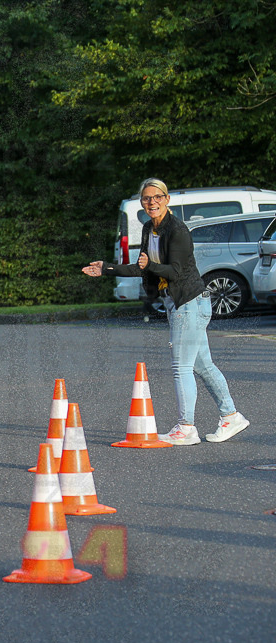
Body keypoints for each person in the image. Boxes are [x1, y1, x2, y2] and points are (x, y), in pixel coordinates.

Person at [82, 178, 249, 445]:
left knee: (181, 367)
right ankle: (231, 416)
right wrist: (107, 268)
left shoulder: (178, 230)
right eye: (147, 198)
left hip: (189, 303)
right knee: (203, 365)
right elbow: (142, 267)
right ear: (142, 202)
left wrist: (151, 266)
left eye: (157, 197)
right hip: (178, 304)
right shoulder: (149, 228)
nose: (152, 202)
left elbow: (175, 271)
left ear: (167, 199)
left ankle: (186, 428)